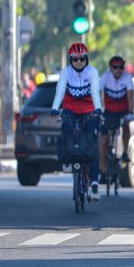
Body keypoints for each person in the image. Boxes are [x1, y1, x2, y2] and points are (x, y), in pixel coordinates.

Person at [51, 42, 102, 201]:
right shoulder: (66, 73)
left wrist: (98, 108)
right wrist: (54, 107)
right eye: (75, 59)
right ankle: (67, 160)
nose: (78, 62)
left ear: (87, 59)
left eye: (82, 59)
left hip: (90, 110)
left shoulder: (92, 72)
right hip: (71, 109)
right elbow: (60, 90)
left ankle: (94, 183)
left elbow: (94, 91)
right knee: (66, 129)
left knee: (92, 144)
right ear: (70, 60)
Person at [99, 55, 134, 180]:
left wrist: (130, 112)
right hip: (108, 111)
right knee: (103, 141)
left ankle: (124, 152)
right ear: (110, 68)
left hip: (123, 110)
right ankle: (103, 170)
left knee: (126, 125)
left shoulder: (127, 78)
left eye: (121, 67)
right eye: (115, 67)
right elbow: (98, 93)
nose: (118, 70)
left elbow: (130, 97)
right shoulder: (104, 77)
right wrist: (98, 109)